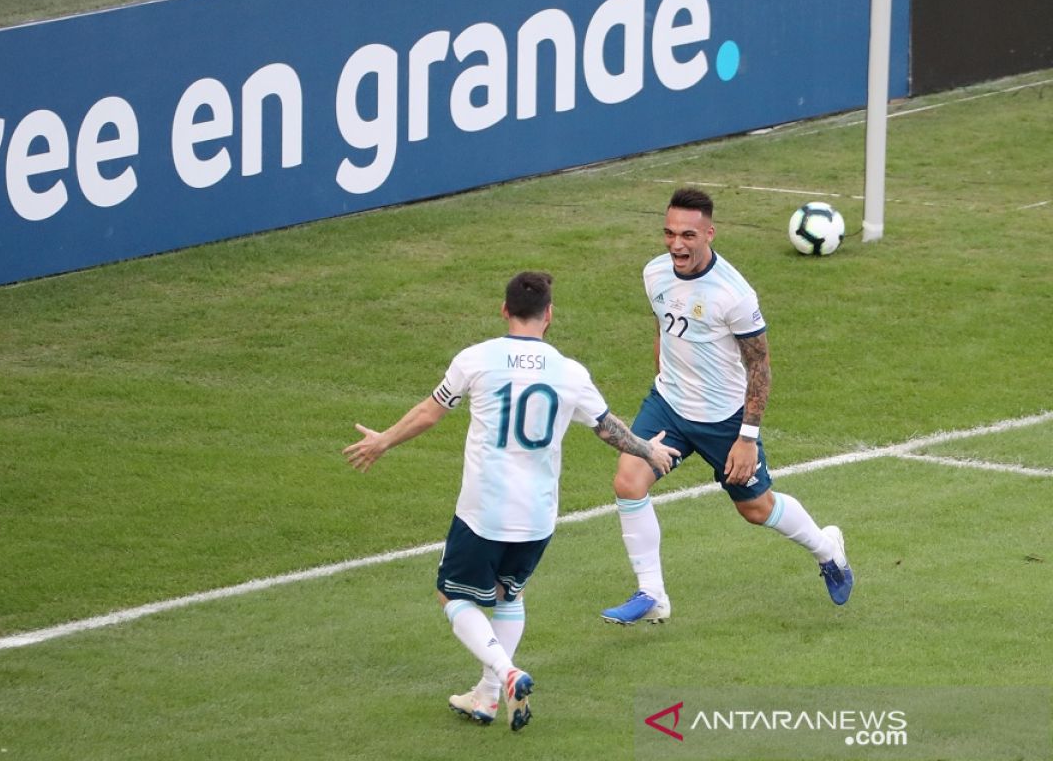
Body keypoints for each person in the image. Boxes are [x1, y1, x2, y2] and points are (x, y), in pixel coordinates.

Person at [344, 271, 679, 731]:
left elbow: (430, 412)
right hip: (539, 515)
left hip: (484, 511)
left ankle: (505, 673)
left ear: (505, 310)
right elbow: (607, 429)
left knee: (451, 594)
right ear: (550, 315)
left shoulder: (476, 359)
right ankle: (484, 696)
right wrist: (648, 449)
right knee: (510, 592)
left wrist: (383, 441)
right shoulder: (570, 372)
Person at [600, 188, 854, 626]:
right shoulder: (655, 273)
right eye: (669, 233)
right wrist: (665, 378)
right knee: (628, 483)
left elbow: (760, 366)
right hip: (669, 406)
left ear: (709, 233)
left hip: (723, 420)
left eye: (687, 235)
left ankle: (827, 548)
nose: (676, 244)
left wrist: (747, 438)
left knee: (756, 510)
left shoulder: (733, 294)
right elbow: (663, 326)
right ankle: (652, 594)